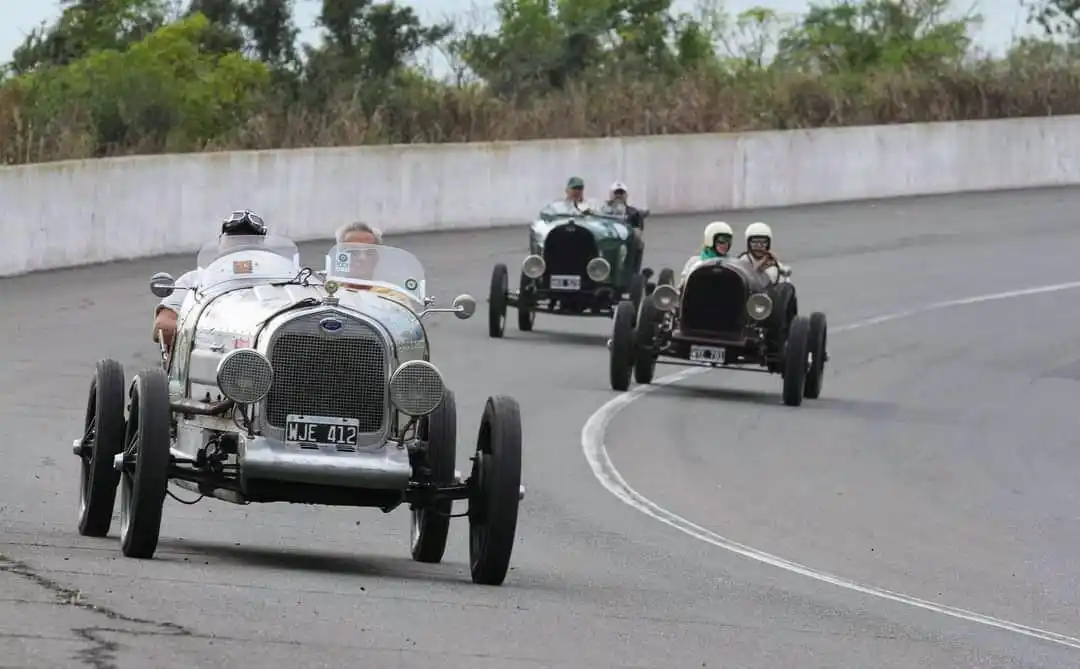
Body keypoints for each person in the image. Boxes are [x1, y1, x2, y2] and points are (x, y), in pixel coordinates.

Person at [152, 209, 267, 350]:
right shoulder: (195, 280)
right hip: (206, 361)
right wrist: (215, 339)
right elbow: (162, 327)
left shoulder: (279, 282)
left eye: (249, 241)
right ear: (221, 243)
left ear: (262, 247)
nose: (242, 246)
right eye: (234, 240)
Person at [679, 220, 733, 285]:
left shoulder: (732, 265)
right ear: (710, 240)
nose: (725, 245)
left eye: (728, 241)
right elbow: (683, 287)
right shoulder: (694, 263)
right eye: (722, 241)